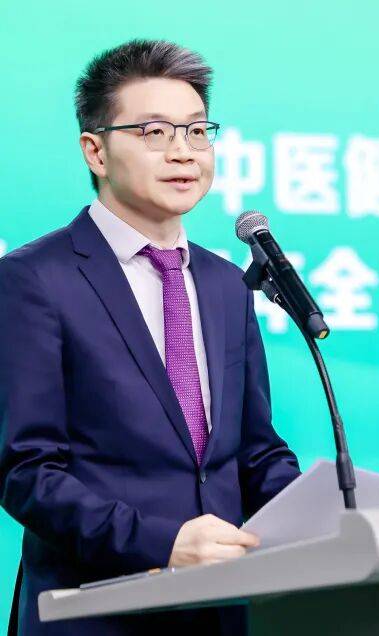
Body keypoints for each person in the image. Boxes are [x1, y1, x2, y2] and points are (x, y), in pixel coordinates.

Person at [0, 39, 302, 635]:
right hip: (96, 613)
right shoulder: (34, 280)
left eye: (197, 131)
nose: (183, 152)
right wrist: (162, 542)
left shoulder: (225, 283)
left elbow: (254, 452)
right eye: (154, 132)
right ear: (96, 151)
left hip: (223, 612)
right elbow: (26, 470)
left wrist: (326, 515)